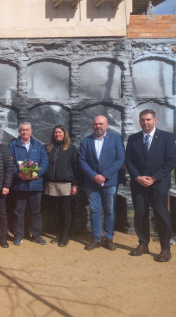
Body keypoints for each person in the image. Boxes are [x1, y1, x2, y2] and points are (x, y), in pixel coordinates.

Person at [125, 109, 176, 262]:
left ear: (155, 120)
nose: (145, 123)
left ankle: (165, 248)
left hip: (158, 184)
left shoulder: (167, 137)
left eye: (148, 120)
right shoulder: (133, 138)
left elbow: (171, 161)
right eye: (142, 120)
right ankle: (143, 244)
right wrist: (137, 177)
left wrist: (154, 178)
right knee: (140, 214)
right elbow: (128, 161)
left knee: (161, 215)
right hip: (138, 184)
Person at [78, 115, 125, 251]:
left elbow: (120, 158)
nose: (98, 126)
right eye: (95, 124)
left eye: (101, 124)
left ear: (107, 125)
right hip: (92, 182)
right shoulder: (86, 141)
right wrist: (94, 176)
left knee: (109, 210)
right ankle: (96, 238)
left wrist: (104, 175)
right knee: (94, 210)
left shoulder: (115, 139)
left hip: (110, 181)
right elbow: (82, 160)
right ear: (93, 126)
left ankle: (108, 238)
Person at [9, 122, 49, 246]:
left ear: (31, 131)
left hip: (35, 184)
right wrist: (17, 174)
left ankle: (36, 235)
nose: (24, 132)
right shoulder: (13, 145)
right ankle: (18, 235)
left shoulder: (38, 145)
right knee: (18, 211)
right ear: (19, 132)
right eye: (22, 130)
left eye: (27, 130)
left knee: (36, 211)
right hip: (19, 184)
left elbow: (45, 163)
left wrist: (37, 174)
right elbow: (9, 164)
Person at [44, 125, 78, 247]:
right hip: (51, 184)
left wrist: (75, 184)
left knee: (65, 210)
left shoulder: (71, 149)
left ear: (64, 134)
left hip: (66, 184)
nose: (57, 134)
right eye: (55, 132)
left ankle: (65, 236)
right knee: (55, 210)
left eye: (60, 132)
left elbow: (76, 168)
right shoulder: (49, 148)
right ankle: (59, 234)